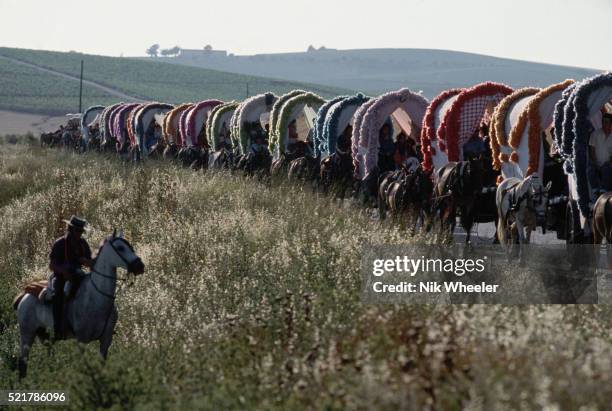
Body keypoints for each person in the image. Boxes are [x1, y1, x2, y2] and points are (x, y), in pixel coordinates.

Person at [49, 216, 93, 340]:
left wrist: (88, 262)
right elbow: (52, 265)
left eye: (81, 231)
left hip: (78, 275)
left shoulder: (83, 244)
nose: (80, 233)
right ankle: (58, 331)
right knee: (59, 296)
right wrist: (63, 271)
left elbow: (89, 261)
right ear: (70, 229)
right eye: (77, 231)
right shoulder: (60, 243)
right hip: (62, 277)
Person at [588, 112, 612, 194]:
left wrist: (609, 162)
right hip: (596, 162)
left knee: (607, 168)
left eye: (607, 122)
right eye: (603, 121)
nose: (604, 124)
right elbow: (592, 150)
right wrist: (595, 163)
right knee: (590, 169)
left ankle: (604, 190)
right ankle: (595, 189)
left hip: (608, 163)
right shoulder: (595, 134)